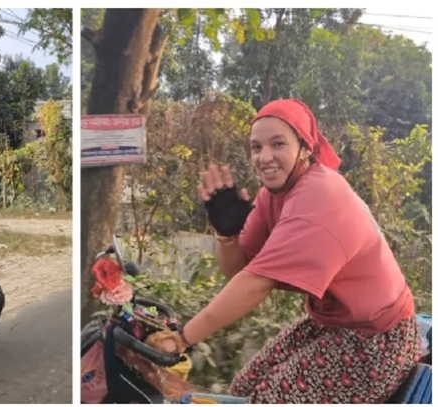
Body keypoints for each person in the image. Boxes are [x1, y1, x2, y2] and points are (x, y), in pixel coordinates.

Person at [154, 99, 419, 403]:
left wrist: (182, 338)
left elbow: (256, 283)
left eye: (277, 144)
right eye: (256, 147)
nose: (264, 157)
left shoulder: (319, 193)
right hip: (330, 324)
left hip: (378, 338)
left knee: (270, 399)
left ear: (305, 148)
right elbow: (237, 272)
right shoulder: (272, 195)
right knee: (244, 387)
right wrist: (226, 234)